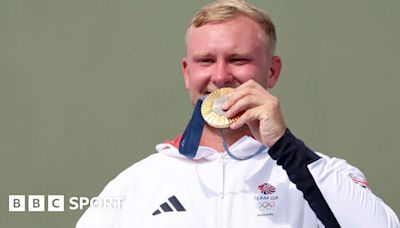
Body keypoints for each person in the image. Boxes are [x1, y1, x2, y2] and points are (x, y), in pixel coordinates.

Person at [76, 0, 399, 227]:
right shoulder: (135, 185)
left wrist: (285, 147)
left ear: (272, 71)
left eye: (238, 59)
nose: (220, 76)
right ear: (187, 73)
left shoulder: (319, 175)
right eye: (205, 61)